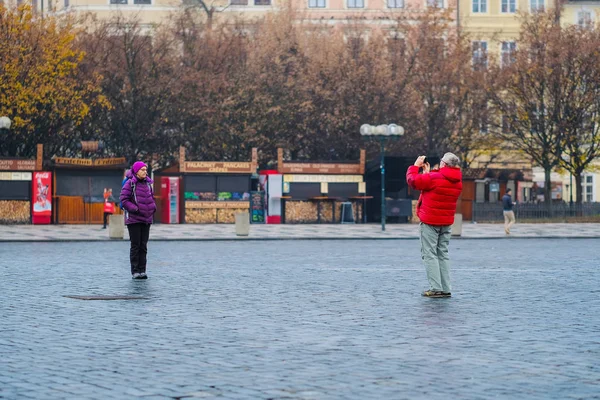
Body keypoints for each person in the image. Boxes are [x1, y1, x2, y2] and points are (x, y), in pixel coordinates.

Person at [406, 153, 463, 298]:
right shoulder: (458, 181)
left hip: (430, 221)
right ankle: (445, 288)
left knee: (429, 254)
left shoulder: (434, 178)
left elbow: (413, 181)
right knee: (442, 254)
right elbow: (433, 188)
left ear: (443, 163)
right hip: (446, 222)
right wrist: (427, 174)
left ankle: (436, 288)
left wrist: (415, 166)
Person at [120, 161, 156, 279]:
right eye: (142, 170)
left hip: (146, 219)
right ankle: (135, 271)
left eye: (146, 170)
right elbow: (124, 200)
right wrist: (135, 209)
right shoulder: (130, 183)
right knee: (135, 245)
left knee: (143, 246)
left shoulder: (147, 184)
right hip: (134, 219)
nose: (145, 172)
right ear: (136, 171)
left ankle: (142, 270)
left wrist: (153, 208)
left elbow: (151, 197)